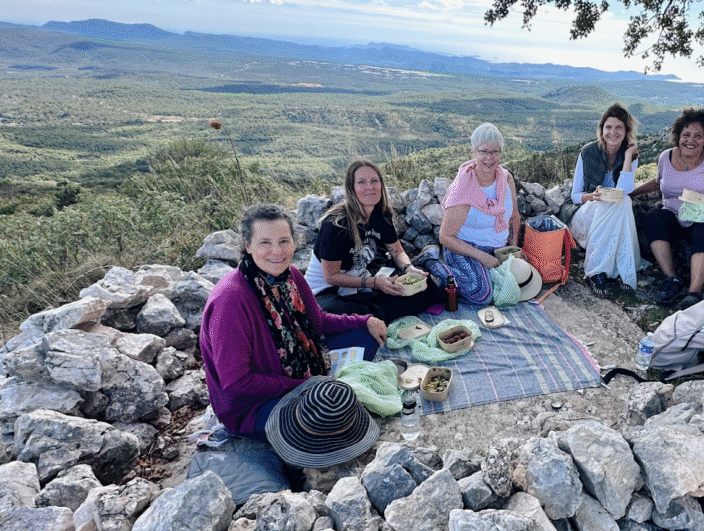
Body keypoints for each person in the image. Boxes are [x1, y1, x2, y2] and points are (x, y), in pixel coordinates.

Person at [201, 203, 388, 468]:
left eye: (283, 241)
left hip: (301, 365)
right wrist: (303, 385)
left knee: (366, 334)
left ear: (294, 242)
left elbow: (319, 322)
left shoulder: (291, 276)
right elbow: (236, 382)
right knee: (322, 420)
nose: (276, 251)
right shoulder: (231, 300)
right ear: (248, 245)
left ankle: (330, 390)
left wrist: (365, 320)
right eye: (265, 242)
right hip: (256, 403)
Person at [305, 160, 444, 323]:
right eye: (361, 182)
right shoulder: (336, 225)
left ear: (381, 184)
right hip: (327, 293)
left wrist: (409, 268)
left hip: (361, 285)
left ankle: (371, 317)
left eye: (374, 181)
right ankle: (368, 317)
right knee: (337, 312)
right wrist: (374, 283)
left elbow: (397, 251)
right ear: (352, 188)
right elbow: (331, 277)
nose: (369, 187)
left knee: (423, 284)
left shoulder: (381, 215)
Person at [629, 108, 704, 308]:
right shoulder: (665, 157)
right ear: (678, 136)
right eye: (686, 135)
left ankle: (693, 293)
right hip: (675, 217)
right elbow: (658, 182)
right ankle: (672, 280)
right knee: (653, 217)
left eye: (698, 136)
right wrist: (632, 192)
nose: (690, 140)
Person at [415, 122, 521, 305]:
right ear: (473, 152)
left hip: (497, 251)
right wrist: (483, 257)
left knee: (514, 286)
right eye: (483, 152)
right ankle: (431, 262)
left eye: (495, 152)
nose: (489, 157)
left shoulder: (506, 178)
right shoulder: (464, 187)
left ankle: (455, 282)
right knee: (482, 294)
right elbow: (446, 237)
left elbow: (515, 217)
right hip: (465, 249)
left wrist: (513, 251)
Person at [569, 103, 641, 298]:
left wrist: (627, 157)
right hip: (584, 218)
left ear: (626, 131)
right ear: (602, 129)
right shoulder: (588, 152)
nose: (613, 132)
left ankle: (607, 271)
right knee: (609, 202)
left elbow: (625, 190)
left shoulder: (630, 154)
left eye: (619, 127)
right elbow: (575, 195)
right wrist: (592, 196)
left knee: (623, 201)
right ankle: (599, 271)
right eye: (608, 127)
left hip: (610, 217)